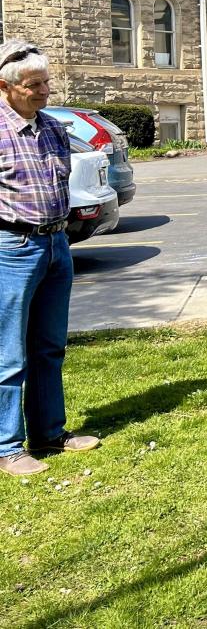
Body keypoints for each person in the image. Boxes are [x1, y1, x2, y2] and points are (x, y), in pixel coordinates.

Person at [0, 41, 99, 477]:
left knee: (49, 347)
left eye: (46, 83)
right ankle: (8, 447)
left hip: (57, 246)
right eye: (33, 85)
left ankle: (49, 434)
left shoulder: (53, 128)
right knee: (9, 353)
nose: (44, 91)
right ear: (5, 87)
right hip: (12, 250)